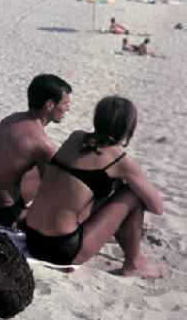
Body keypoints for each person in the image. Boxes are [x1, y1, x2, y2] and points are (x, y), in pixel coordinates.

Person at [24, 96, 163, 277]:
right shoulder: (119, 159)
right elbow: (157, 207)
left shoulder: (75, 137)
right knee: (131, 194)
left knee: (103, 185)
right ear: (128, 127)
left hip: (32, 239)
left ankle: (124, 244)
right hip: (60, 249)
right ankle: (134, 263)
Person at [0, 74, 72, 227]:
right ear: (50, 105)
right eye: (65, 103)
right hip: (1, 214)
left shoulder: (13, 118)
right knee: (58, 179)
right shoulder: (43, 144)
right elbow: (55, 191)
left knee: (43, 171)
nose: (68, 108)